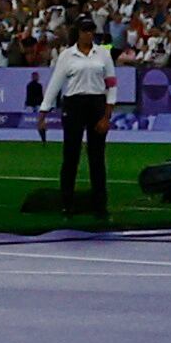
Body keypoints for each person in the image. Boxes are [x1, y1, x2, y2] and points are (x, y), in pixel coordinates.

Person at [40, 18, 121, 212]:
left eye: (91, 31)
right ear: (78, 33)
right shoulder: (67, 55)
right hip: (74, 104)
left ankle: (100, 204)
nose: (88, 34)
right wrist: (44, 110)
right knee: (70, 156)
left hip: (96, 103)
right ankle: (66, 203)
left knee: (97, 157)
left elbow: (111, 83)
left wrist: (107, 115)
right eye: (85, 31)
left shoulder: (102, 53)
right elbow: (56, 84)